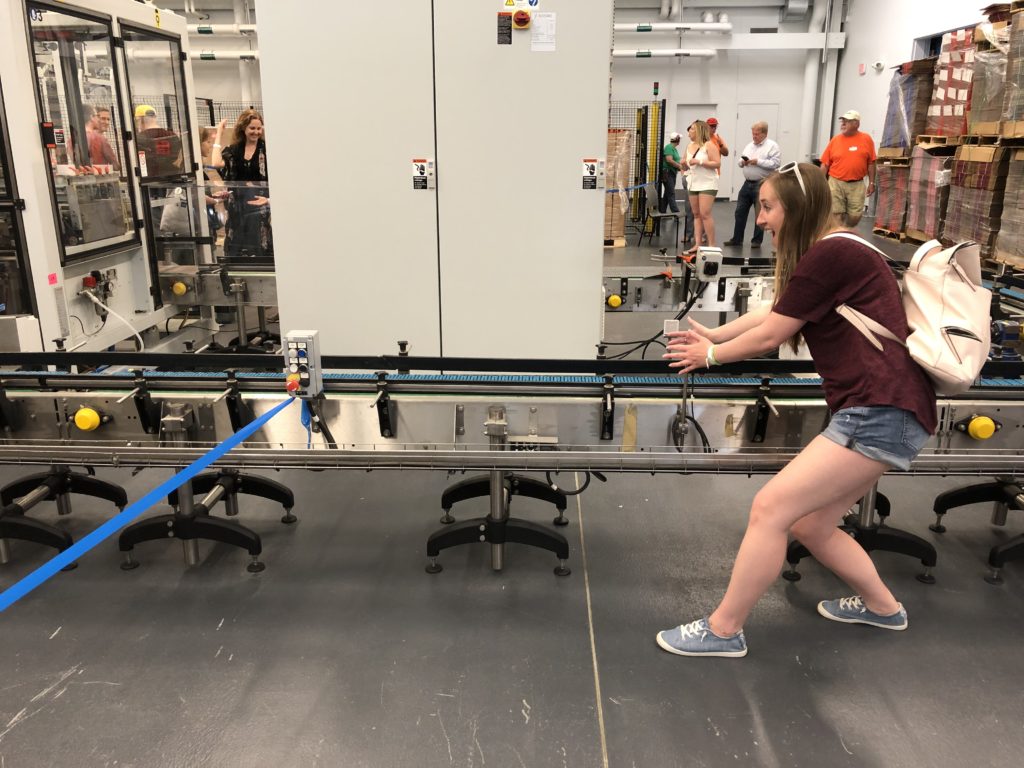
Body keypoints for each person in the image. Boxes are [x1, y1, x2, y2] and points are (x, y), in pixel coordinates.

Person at [657, 162, 936, 658]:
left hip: (878, 410)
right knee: (811, 524)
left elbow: (772, 333)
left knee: (771, 509)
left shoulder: (832, 253)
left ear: (798, 207)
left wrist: (711, 356)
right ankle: (883, 607)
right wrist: (714, 335)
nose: (760, 219)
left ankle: (724, 631)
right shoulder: (839, 250)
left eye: (768, 207)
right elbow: (780, 307)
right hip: (889, 408)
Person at [210, 109, 272, 265]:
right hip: (237, 209)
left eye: (259, 128)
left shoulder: (267, 150)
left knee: (260, 248)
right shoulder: (234, 150)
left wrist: (269, 200)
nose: (256, 132)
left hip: (260, 210)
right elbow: (216, 163)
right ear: (243, 128)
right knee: (235, 250)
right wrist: (219, 133)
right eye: (252, 128)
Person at [724, 121, 781, 249]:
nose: (754, 137)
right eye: (753, 134)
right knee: (740, 211)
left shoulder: (772, 146)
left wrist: (758, 162)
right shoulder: (750, 145)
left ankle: (756, 241)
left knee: (759, 213)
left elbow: (776, 164)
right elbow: (740, 160)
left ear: (764, 134)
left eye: (757, 134)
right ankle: (737, 239)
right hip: (747, 183)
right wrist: (742, 163)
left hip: (762, 183)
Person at [820, 109, 876, 228]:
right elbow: (825, 164)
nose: (843, 124)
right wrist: (819, 182)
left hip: (857, 184)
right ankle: (839, 235)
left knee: (855, 216)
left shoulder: (866, 139)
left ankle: (845, 230)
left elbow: (871, 163)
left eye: (847, 121)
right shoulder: (835, 140)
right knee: (836, 214)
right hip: (835, 182)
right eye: (842, 121)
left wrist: (871, 182)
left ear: (856, 124)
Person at [682, 120, 720, 254]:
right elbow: (685, 163)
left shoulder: (709, 145)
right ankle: (697, 244)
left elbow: (717, 163)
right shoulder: (689, 146)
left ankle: (711, 245)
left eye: (692, 129)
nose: (689, 132)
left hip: (707, 182)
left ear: (699, 131)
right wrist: (684, 166)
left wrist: (700, 161)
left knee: (705, 214)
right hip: (693, 182)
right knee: (696, 214)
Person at [659, 131, 695, 248]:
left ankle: (662, 211)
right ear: (677, 139)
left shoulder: (673, 149)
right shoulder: (669, 148)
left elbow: (676, 159)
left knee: (667, 194)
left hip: (672, 173)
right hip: (668, 173)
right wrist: (679, 166)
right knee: (671, 193)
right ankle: (675, 212)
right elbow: (669, 160)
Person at [134, 104, 182, 176]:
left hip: (149, 179)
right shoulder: (172, 136)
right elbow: (177, 157)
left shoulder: (139, 139)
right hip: (173, 176)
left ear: (139, 120)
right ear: (155, 118)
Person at [84, 105, 119, 170]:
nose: (106, 122)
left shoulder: (83, 136)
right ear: (94, 118)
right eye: (103, 118)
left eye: (108, 119)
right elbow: (116, 166)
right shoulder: (100, 139)